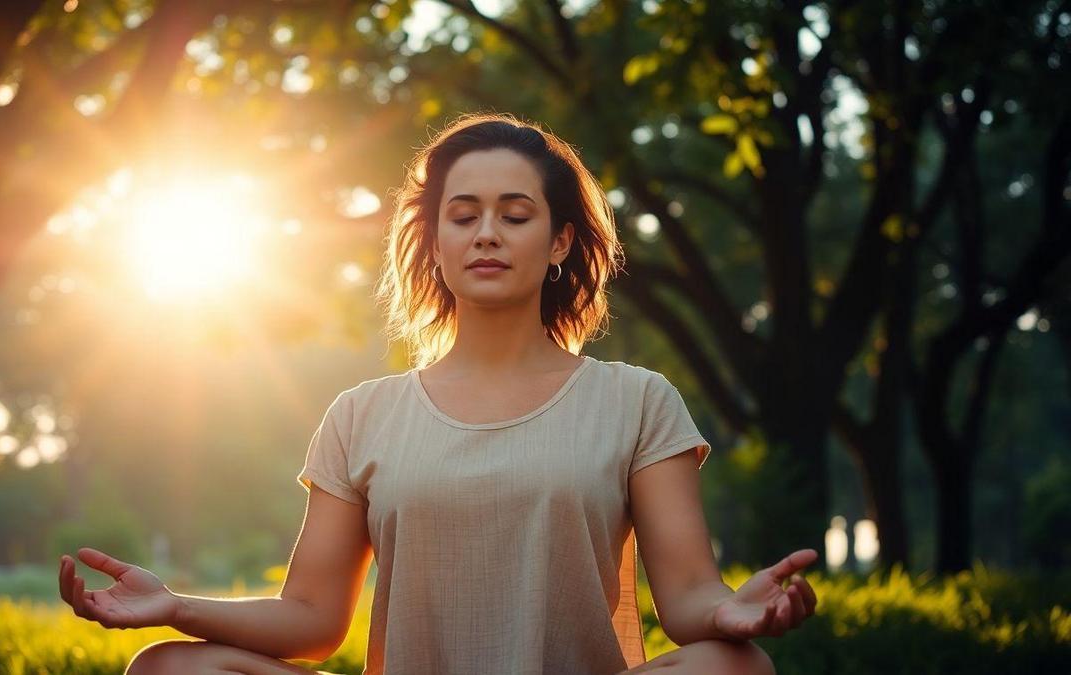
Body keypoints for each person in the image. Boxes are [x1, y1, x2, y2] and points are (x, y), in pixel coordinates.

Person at [58, 112, 818, 674]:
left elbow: (687, 598)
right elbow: (313, 620)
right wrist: (177, 606)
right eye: (464, 215)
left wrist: (730, 610)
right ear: (436, 242)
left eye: (515, 215)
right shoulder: (361, 414)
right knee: (167, 667)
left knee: (736, 666)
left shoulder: (637, 400)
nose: (487, 233)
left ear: (558, 242)